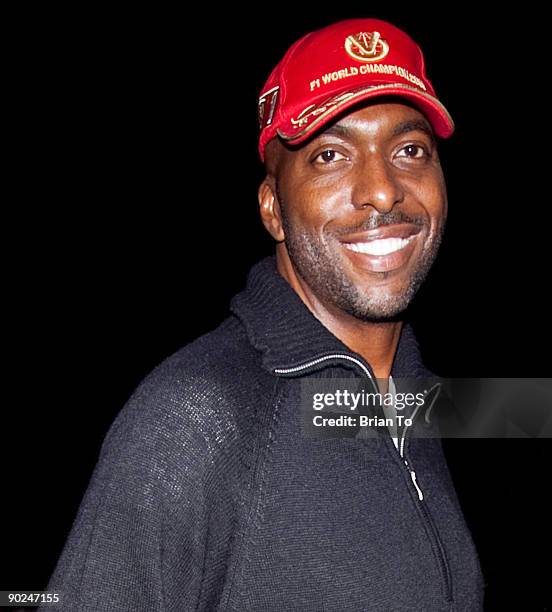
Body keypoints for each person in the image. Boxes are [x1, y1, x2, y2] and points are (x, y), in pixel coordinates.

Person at [43, 18, 484, 611]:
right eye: (330, 155)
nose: (382, 190)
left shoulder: (421, 402)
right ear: (273, 208)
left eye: (409, 150)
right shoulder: (197, 415)